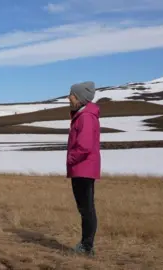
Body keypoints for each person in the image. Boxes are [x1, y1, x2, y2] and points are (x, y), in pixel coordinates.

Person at [66, 81, 100, 256]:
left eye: (71, 94)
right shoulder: (82, 115)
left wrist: (71, 159)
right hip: (83, 168)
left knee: (86, 208)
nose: (69, 97)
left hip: (83, 168)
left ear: (79, 97)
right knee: (85, 208)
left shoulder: (86, 117)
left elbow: (84, 146)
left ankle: (87, 247)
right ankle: (86, 245)